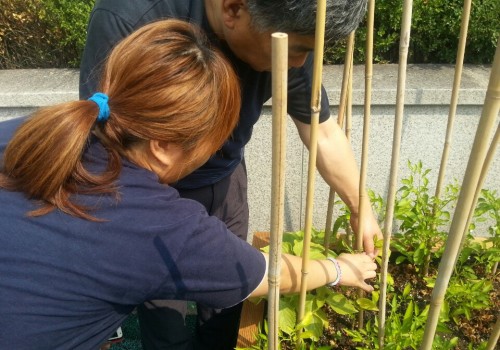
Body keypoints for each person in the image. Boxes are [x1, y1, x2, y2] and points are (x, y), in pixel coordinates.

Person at [0, 19, 379, 350]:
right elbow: (261, 273)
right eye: (214, 139)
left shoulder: (28, 133)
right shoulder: (158, 227)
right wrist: (341, 270)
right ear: (164, 146)